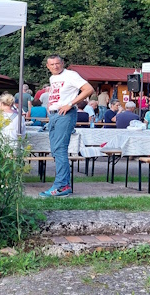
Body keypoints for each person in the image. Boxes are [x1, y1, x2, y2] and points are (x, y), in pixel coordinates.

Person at [40, 54, 93, 198]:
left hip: (65, 114)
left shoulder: (71, 75)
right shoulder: (53, 78)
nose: (55, 66)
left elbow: (89, 89)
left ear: (62, 63)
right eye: (52, 64)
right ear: (47, 66)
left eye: (57, 63)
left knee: (60, 149)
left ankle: (62, 186)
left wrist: (70, 104)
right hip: (54, 115)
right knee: (55, 150)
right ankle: (63, 184)